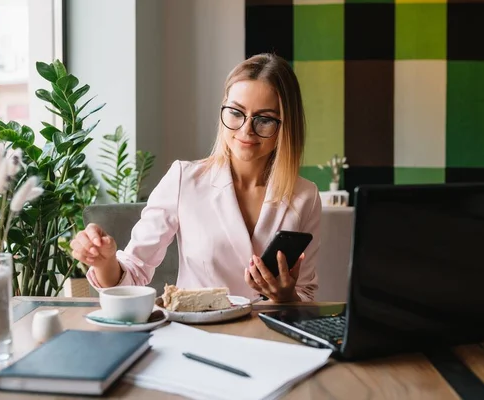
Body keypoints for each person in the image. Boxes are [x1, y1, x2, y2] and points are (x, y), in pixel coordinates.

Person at [71, 53, 321, 303]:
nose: (246, 130)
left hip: (268, 335)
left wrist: (286, 297)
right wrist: (105, 263)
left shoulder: (305, 196)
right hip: (197, 333)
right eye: (236, 112)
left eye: (264, 119)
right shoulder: (184, 179)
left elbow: (306, 293)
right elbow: (134, 270)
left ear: (286, 125)